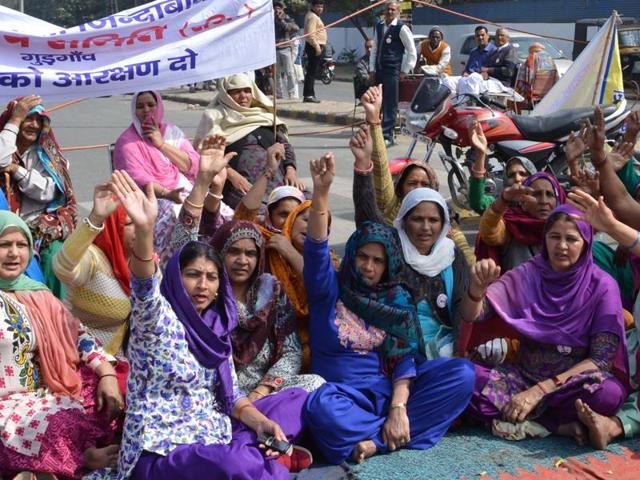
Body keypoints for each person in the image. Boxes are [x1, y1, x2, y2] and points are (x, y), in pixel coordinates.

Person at [102, 170, 311, 479]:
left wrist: (259, 422)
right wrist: (144, 231)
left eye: (211, 277)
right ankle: (260, 458)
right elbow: (144, 282)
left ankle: (260, 452)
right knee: (236, 465)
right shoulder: (157, 319)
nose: (203, 285)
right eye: (193, 275)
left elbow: (231, 397)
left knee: (291, 407)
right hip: (161, 450)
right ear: (175, 277)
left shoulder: (216, 328)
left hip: (212, 434)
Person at [302, 152, 475, 464]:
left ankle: (378, 440)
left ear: (389, 265)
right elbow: (316, 249)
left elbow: (404, 359)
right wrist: (322, 193)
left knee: (462, 374)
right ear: (351, 256)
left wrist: (397, 408)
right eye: (362, 257)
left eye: (378, 260)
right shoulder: (328, 292)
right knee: (320, 406)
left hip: (388, 396)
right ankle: (385, 437)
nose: (368, 266)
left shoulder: (395, 299)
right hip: (343, 400)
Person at [463, 204, 630, 443]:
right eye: (555, 237)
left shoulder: (603, 286)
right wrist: (476, 291)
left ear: (586, 243)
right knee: (464, 379)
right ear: (545, 240)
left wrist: (540, 391)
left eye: (571, 239)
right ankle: (560, 426)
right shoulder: (529, 274)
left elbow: (600, 359)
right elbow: (474, 315)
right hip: (522, 378)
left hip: (570, 386)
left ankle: (531, 419)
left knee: (608, 395)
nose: (562, 246)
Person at [0, 211, 123, 479]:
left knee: (107, 392)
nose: (13, 253)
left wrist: (107, 373)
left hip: (42, 391)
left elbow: (78, 335)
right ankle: (79, 458)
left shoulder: (36, 293)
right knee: (52, 425)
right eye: (4, 245)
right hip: (5, 403)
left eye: (21, 245)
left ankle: (69, 457)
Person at [358, 86, 476, 266]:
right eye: (412, 183)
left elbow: (467, 258)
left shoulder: (445, 221)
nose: (419, 188)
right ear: (400, 188)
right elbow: (381, 169)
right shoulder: (392, 209)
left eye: (425, 184)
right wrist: (374, 120)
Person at [210, 220, 325, 397]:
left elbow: (292, 352)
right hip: (220, 391)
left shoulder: (272, 293)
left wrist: (261, 391)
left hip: (264, 392)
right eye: (234, 251)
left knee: (315, 383)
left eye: (250, 254)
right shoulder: (208, 295)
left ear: (259, 257)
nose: (242, 260)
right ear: (220, 253)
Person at [568, 189, 640, 449]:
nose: (562, 247)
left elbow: (622, 200)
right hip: (630, 351)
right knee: (603, 392)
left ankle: (614, 426)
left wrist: (611, 225)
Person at [0, 96, 78, 298]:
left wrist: (18, 171)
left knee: (56, 258)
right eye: (27, 118)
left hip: (40, 227)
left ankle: (53, 312)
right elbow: (1, 160)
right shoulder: (5, 143)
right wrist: (15, 120)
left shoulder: (46, 153)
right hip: (4, 226)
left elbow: (50, 190)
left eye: (39, 120)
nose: (34, 125)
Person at [113, 90, 200, 262]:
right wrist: (168, 194)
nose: (146, 110)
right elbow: (138, 179)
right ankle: (170, 266)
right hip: (152, 197)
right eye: (140, 106)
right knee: (172, 213)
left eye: (151, 104)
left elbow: (192, 165)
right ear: (134, 111)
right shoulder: (126, 142)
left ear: (159, 106)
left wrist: (160, 144)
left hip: (184, 188)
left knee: (218, 209)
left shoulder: (172, 133)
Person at [193, 74, 303, 209]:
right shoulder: (215, 117)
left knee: (304, 207)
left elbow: (285, 145)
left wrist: (291, 170)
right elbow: (207, 157)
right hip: (240, 187)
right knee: (255, 214)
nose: (243, 96)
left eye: (247, 91)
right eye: (237, 92)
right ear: (226, 95)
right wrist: (232, 175)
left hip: (277, 182)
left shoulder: (265, 116)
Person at [52, 186, 134, 356]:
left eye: (141, 221)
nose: (139, 228)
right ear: (114, 227)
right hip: (84, 364)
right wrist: (95, 219)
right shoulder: (94, 259)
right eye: (129, 223)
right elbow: (62, 266)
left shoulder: (146, 264)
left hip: (128, 367)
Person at [477, 172, 566, 272]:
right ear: (523, 203)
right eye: (536, 194)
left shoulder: (568, 229)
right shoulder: (512, 226)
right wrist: (502, 200)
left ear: (558, 200)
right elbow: (489, 232)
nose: (544, 201)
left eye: (550, 195)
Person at [369, 1, 417, 147]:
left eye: (392, 9)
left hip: (392, 70)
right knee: (378, 102)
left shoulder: (401, 28)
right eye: (387, 9)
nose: (389, 12)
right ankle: (377, 133)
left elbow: (411, 51)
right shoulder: (379, 26)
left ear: (398, 11)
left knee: (390, 104)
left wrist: (405, 70)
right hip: (379, 69)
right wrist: (372, 69)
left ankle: (388, 136)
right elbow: (375, 48)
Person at [467, 119, 536, 215]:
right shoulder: (502, 206)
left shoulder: (544, 202)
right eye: (511, 175)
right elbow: (478, 203)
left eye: (523, 173)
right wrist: (481, 154)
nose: (517, 178)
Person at [274, 1, 300, 100]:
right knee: (276, 74)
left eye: (279, 9)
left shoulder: (287, 17)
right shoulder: (269, 19)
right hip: (274, 49)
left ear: (282, 9)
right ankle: (279, 94)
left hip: (285, 48)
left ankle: (292, 93)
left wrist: (282, 21)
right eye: (275, 9)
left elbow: (295, 28)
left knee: (289, 72)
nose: (277, 11)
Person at [302, 0, 326, 103]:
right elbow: (310, 34)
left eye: (321, 6)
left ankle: (309, 94)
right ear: (313, 6)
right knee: (311, 72)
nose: (320, 9)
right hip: (313, 46)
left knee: (312, 71)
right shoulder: (312, 16)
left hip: (315, 45)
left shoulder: (314, 16)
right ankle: (309, 95)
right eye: (318, 6)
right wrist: (317, 47)